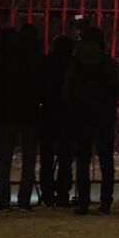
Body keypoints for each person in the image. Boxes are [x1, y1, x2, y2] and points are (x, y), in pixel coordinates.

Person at [66, 26, 119, 216]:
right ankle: (106, 202)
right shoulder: (107, 63)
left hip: (81, 117)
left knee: (82, 162)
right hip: (104, 117)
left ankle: (83, 203)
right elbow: (115, 88)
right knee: (106, 161)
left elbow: (67, 90)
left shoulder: (76, 63)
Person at [0, 23, 43, 210]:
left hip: (8, 111)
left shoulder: (8, 55)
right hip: (30, 111)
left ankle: (2, 198)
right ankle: (24, 199)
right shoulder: (36, 57)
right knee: (29, 159)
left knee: (5, 158)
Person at [39, 35, 75, 208]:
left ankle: (47, 192)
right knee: (65, 157)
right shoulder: (72, 64)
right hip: (67, 114)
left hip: (47, 113)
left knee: (47, 156)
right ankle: (62, 192)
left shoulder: (46, 63)